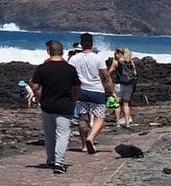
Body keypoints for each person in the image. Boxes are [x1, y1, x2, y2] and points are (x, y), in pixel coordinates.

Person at [30, 40, 81, 174]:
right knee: (63, 134)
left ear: (48, 51)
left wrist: (38, 97)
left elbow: (35, 86)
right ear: (62, 51)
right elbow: (76, 88)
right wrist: (74, 100)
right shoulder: (70, 69)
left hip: (47, 105)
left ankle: (52, 159)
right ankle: (58, 162)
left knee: (49, 135)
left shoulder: (42, 68)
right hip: (65, 106)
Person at [69, 33, 115, 155]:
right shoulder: (97, 58)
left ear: (81, 44)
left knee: (82, 117)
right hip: (96, 90)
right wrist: (111, 91)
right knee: (100, 117)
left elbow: (69, 76)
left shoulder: (74, 59)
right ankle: (91, 137)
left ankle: (84, 145)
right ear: (92, 43)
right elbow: (106, 76)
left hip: (81, 91)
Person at [108, 47, 138, 128]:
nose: (114, 55)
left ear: (119, 53)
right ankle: (127, 122)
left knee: (117, 104)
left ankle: (117, 123)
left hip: (119, 85)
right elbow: (135, 74)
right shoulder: (131, 62)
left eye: (115, 53)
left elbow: (109, 73)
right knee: (126, 104)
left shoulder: (116, 62)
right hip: (129, 85)